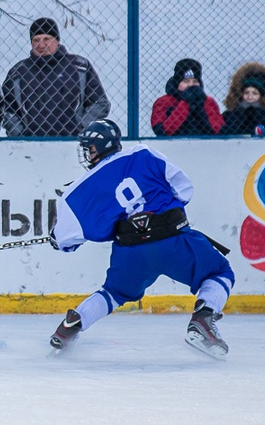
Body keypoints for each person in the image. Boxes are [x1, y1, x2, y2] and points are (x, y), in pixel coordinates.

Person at [48, 119, 235, 359]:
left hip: (131, 252)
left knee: (112, 293)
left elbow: (65, 240)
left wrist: (57, 239)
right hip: (173, 239)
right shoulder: (143, 153)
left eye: (90, 148)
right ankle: (203, 319)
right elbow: (184, 188)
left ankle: (72, 326)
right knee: (220, 273)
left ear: (103, 146)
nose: (87, 154)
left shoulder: (79, 188)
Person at [2, 18, 110, 137]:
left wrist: (81, 128)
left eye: (47, 39)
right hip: (29, 145)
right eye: (36, 40)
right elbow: (7, 110)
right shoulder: (18, 72)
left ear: (57, 40)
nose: (41, 45)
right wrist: (20, 134)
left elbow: (100, 103)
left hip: (73, 142)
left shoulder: (79, 67)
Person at [151, 58, 224, 136]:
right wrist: (185, 104)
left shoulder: (208, 101)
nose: (190, 85)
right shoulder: (163, 102)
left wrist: (200, 107)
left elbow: (218, 129)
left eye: (195, 81)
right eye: (186, 81)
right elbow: (163, 131)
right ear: (177, 83)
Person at [221, 63, 265, 136]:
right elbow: (224, 132)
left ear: (262, 96)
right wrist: (240, 111)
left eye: (255, 93)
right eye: (246, 93)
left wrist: (260, 112)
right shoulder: (229, 115)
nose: (250, 97)